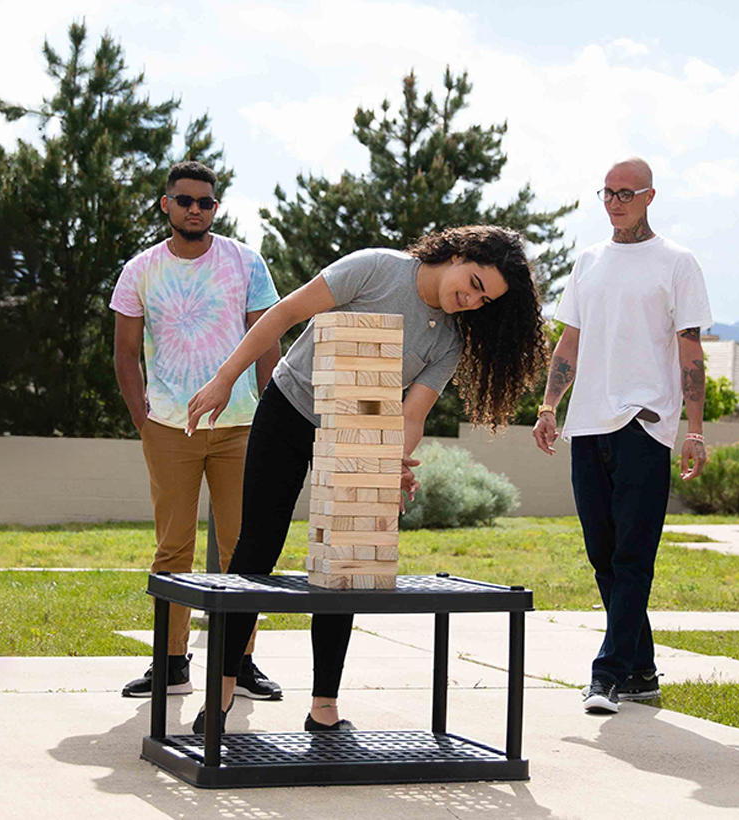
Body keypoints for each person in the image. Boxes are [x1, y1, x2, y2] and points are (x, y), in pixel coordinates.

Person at [185, 225, 547, 734]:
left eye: (482, 300)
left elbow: (412, 414)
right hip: (290, 406)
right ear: (463, 253)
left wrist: (390, 461)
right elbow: (285, 313)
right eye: (472, 283)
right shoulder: (376, 267)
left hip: (356, 431)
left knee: (347, 557)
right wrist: (226, 377)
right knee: (257, 546)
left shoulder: (448, 340)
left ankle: (323, 706)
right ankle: (219, 693)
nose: (469, 300)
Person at [532, 157, 712, 715]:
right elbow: (569, 341)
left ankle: (606, 675)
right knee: (603, 558)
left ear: (650, 196)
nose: (614, 202)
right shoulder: (588, 261)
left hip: (644, 425)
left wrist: (696, 430)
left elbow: (690, 352)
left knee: (633, 557)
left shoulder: (678, 263)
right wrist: (548, 405)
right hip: (586, 426)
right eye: (607, 192)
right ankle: (640, 671)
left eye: (626, 193)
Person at [110, 161, 285, 701]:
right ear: (166, 204)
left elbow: (267, 340)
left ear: (216, 207)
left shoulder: (246, 262)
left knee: (243, 549)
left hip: (240, 428)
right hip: (169, 428)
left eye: (205, 202)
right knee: (173, 548)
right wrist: (143, 416)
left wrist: (269, 413)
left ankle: (242, 662)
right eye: (184, 200)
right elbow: (124, 351)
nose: (194, 209)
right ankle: (171, 663)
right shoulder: (140, 270)